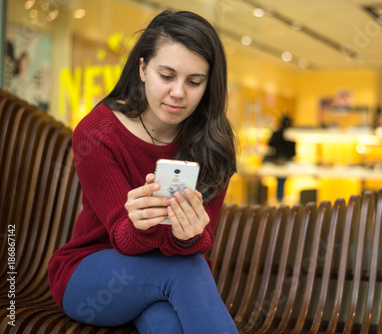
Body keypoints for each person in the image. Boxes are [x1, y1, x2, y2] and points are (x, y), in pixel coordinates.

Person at [48, 10, 238, 334]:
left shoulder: (213, 144)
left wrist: (189, 234)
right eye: (167, 76)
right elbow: (125, 241)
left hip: (160, 280)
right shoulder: (97, 133)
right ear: (142, 69)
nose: (179, 92)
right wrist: (141, 225)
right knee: (186, 270)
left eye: (194, 82)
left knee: (168, 323)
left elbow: (199, 242)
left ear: (209, 85)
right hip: (89, 273)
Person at [263, 115, 296, 202]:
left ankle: (279, 198)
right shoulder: (290, 133)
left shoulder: (278, 133)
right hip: (285, 160)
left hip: (277, 159)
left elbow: (270, 144)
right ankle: (279, 198)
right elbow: (292, 150)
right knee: (282, 180)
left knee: (280, 180)